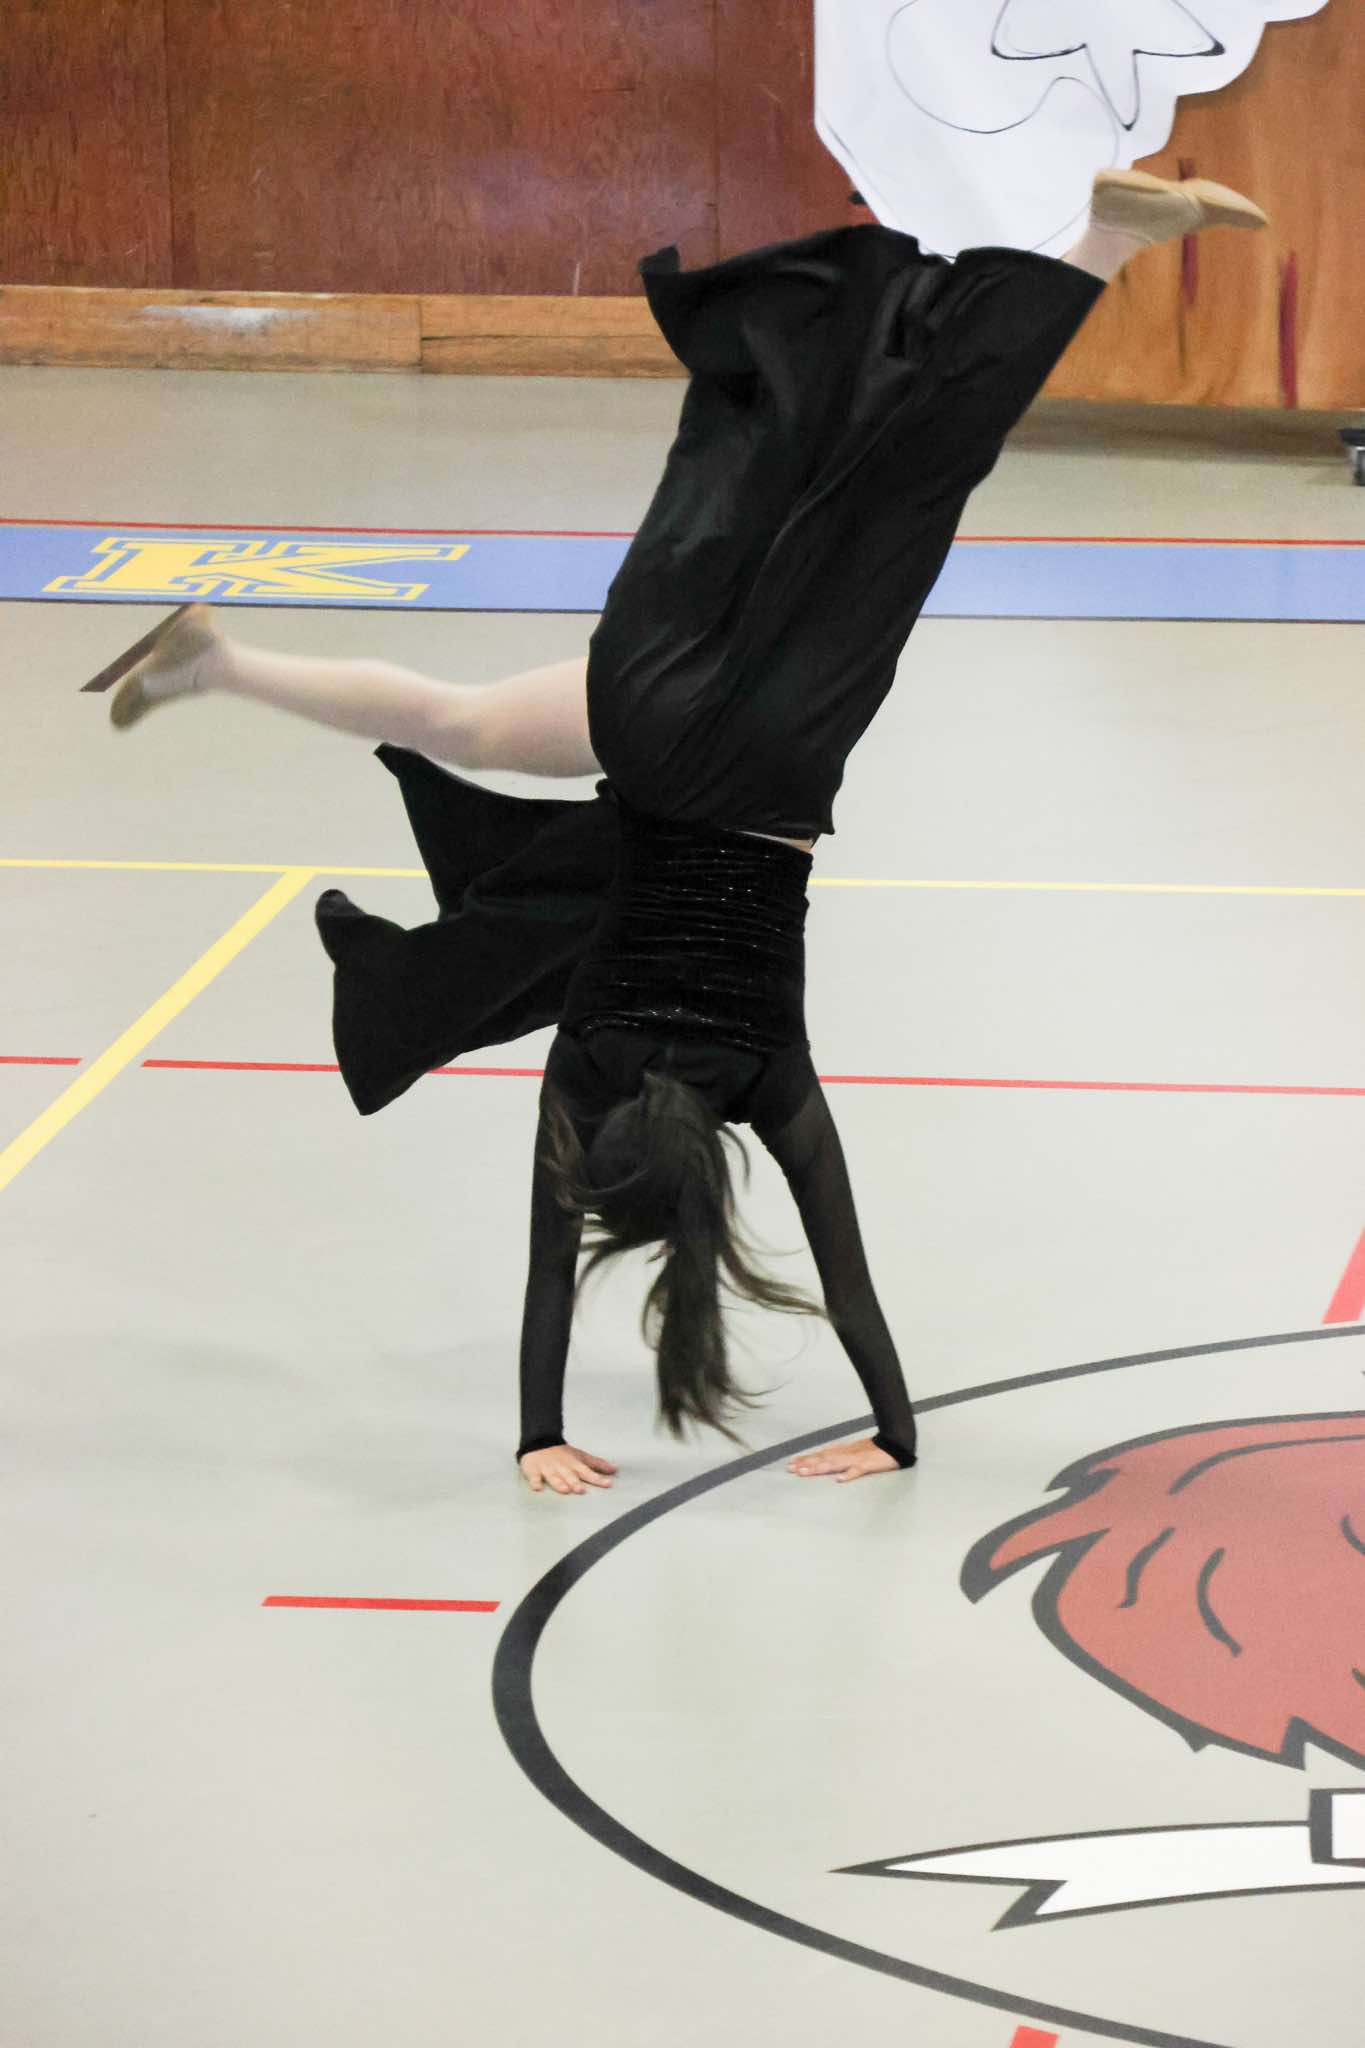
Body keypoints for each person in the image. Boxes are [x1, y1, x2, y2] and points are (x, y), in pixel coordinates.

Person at [86, 170, 1266, 1496]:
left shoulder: (769, 1080)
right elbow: (548, 1273)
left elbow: (848, 1283)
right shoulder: (587, 1062)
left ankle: (1105, 237)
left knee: (906, 490)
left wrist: (894, 1433)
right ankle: (217, 661)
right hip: (652, 719)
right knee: (464, 715)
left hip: (781, 752)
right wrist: (535, 1432)